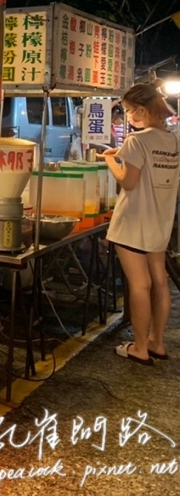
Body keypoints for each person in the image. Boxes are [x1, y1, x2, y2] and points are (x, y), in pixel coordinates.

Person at [97, 83, 180, 365]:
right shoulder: (173, 141)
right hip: (160, 222)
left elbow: (129, 181)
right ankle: (157, 342)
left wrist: (110, 161)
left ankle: (140, 348)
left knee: (139, 285)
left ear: (142, 110)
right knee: (159, 282)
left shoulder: (136, 140)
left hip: (133, 223)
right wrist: (121, 153)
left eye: (129, 110)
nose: (128, 115)